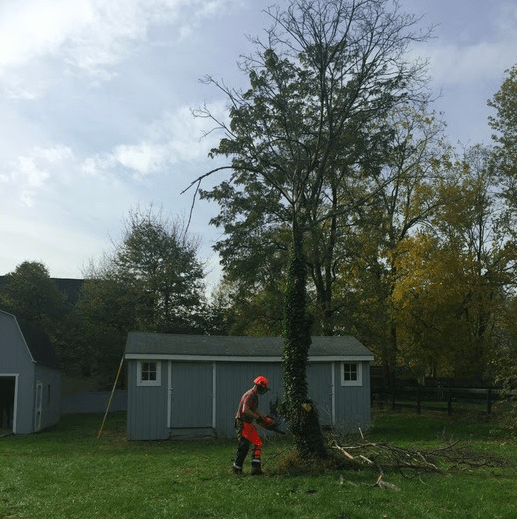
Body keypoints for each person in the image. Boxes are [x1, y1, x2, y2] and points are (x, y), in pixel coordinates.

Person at [232, 376, 275, 475]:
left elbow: (255, 410)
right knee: (244, 446)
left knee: (258, 443)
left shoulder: (254, 396)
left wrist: (265, 417)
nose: (264, 390)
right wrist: (257, 417)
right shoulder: (250, 395)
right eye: (263, 388)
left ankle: (256, 470)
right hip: (242, 422)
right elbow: (245, 410)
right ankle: (237, 469)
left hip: (248, 422)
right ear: (259, 386)